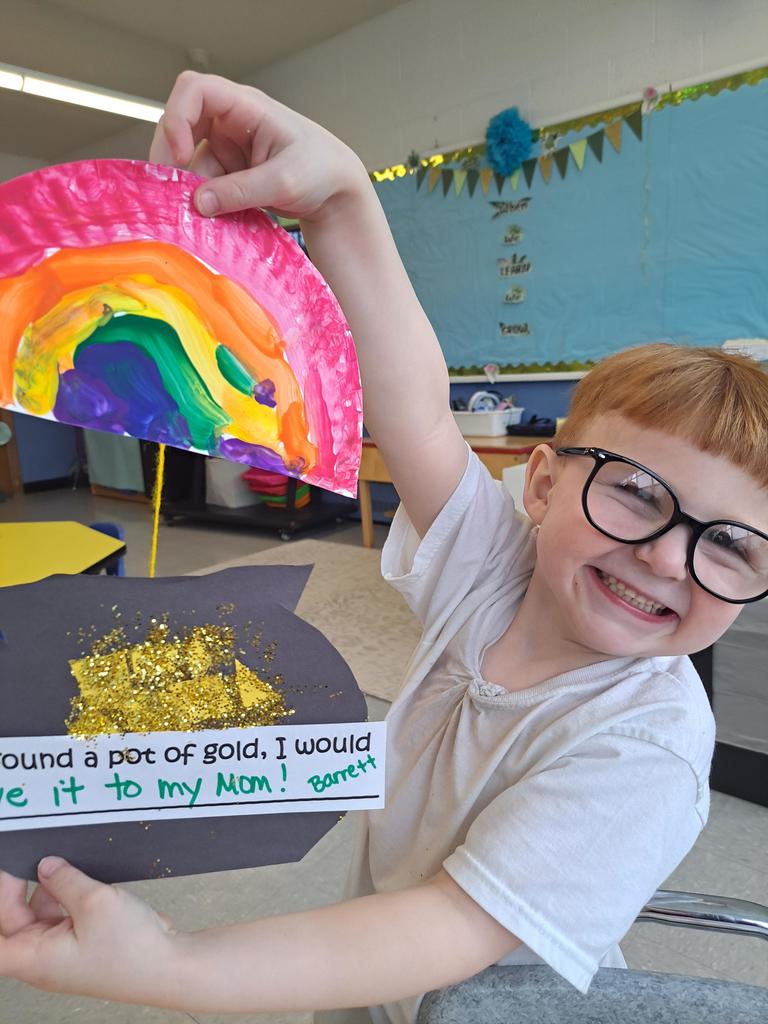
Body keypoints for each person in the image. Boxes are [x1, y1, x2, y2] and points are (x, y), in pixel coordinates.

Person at [1, 71, 767, 1023]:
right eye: (637, 492)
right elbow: (416, 411)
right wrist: (344, 205)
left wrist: (171, 964)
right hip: (370, 986)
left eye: (731, 545)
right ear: (541, 483)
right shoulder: (498, 572)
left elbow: (444, 930)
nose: (663, 555)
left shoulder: (646, 747)